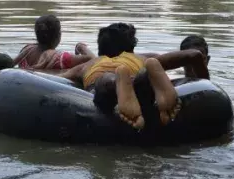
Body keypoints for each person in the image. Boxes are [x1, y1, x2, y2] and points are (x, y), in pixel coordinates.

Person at [60, 23, 208, 130]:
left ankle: (115, 81)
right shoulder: (141, 57)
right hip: (136, 77)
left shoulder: (92, 63)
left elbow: (59, 79)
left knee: (103, 82)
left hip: (104, 82)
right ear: (132, 46)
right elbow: (193, 55)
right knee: (141, 80)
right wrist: (207, 88)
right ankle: (147, 74)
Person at [14, 15, 94, 70]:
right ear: (58, 35)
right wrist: (80, 46)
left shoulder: (26, 50)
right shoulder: (60, 58)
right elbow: (92, 59)